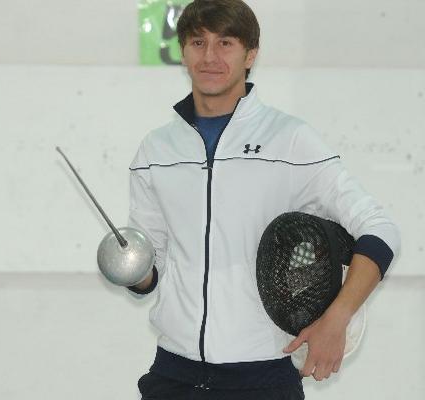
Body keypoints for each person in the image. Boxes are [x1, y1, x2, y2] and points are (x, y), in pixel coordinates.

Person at [124, 0, 401, 399]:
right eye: (198, 42)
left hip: (263, 378)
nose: (210, 56)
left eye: (226, 43)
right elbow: (154, 262)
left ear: (250, 55)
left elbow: (380, 229)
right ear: (183, 52)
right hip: (173, 375)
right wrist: (134, 269)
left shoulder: (290, 139)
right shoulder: (155, 150)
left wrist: (338, 318)